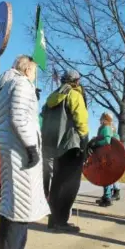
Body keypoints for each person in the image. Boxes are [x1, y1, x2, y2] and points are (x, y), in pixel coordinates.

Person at [0, 55, 50, 249]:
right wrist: (31, 147)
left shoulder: (5, 87)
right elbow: (19, 117)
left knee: (10, 201)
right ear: (27, 69)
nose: (35, 75)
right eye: (34, 70)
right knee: (22, 203)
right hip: (21, 150)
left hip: (10, 148)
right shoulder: (22, 84)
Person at [41, 69, 89, 233]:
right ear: (76, 81)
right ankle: (61, 222)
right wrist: (85, 141)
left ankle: (53, 220)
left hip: (54, 146)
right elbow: (81, 121)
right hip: (71, 145)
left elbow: (43, 117)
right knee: (70, 185)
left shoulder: (51, 98)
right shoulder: (74, 95)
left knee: (57, 183)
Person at [90, 112, 119, 207]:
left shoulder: (106, 127)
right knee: (105, 176)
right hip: (105, 155)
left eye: (101, 118)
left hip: (106, 156)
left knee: (106, 177)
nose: (100, 119)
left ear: (105, 119)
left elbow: (107, 141)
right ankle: (106, 196)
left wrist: (96, 144)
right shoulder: (107, 128)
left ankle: (107, 198)